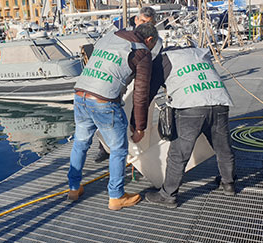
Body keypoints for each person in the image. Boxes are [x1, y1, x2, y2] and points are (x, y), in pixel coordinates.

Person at [67, 23, 159, 211]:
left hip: (80, 94)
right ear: (149, 40)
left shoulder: (112, 35)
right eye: (152, 45)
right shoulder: (142, 53)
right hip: (104, 101)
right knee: (118, 149)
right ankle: (116, 197)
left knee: (80, 143)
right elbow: (141, 94)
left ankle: (73, 188)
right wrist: (139, 127)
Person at [145, 47, 236, 209]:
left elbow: (149, 92)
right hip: (219, 100)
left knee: (179, 153)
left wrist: (137, 123)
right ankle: (228, 183)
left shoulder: (164, 59)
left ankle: (168, 195)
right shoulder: (198, 53)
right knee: (223, 147)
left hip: (191, 106)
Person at [94, 6, 159, 162]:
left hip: (142, 80)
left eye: (149, 23)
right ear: (136, 20)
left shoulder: (157, 40)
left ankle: (137, 149)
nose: (145, 25)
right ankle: (104, 148)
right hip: (121, 81)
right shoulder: (123, 34)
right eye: (143, 21)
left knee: (139, 114)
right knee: (111, 117)